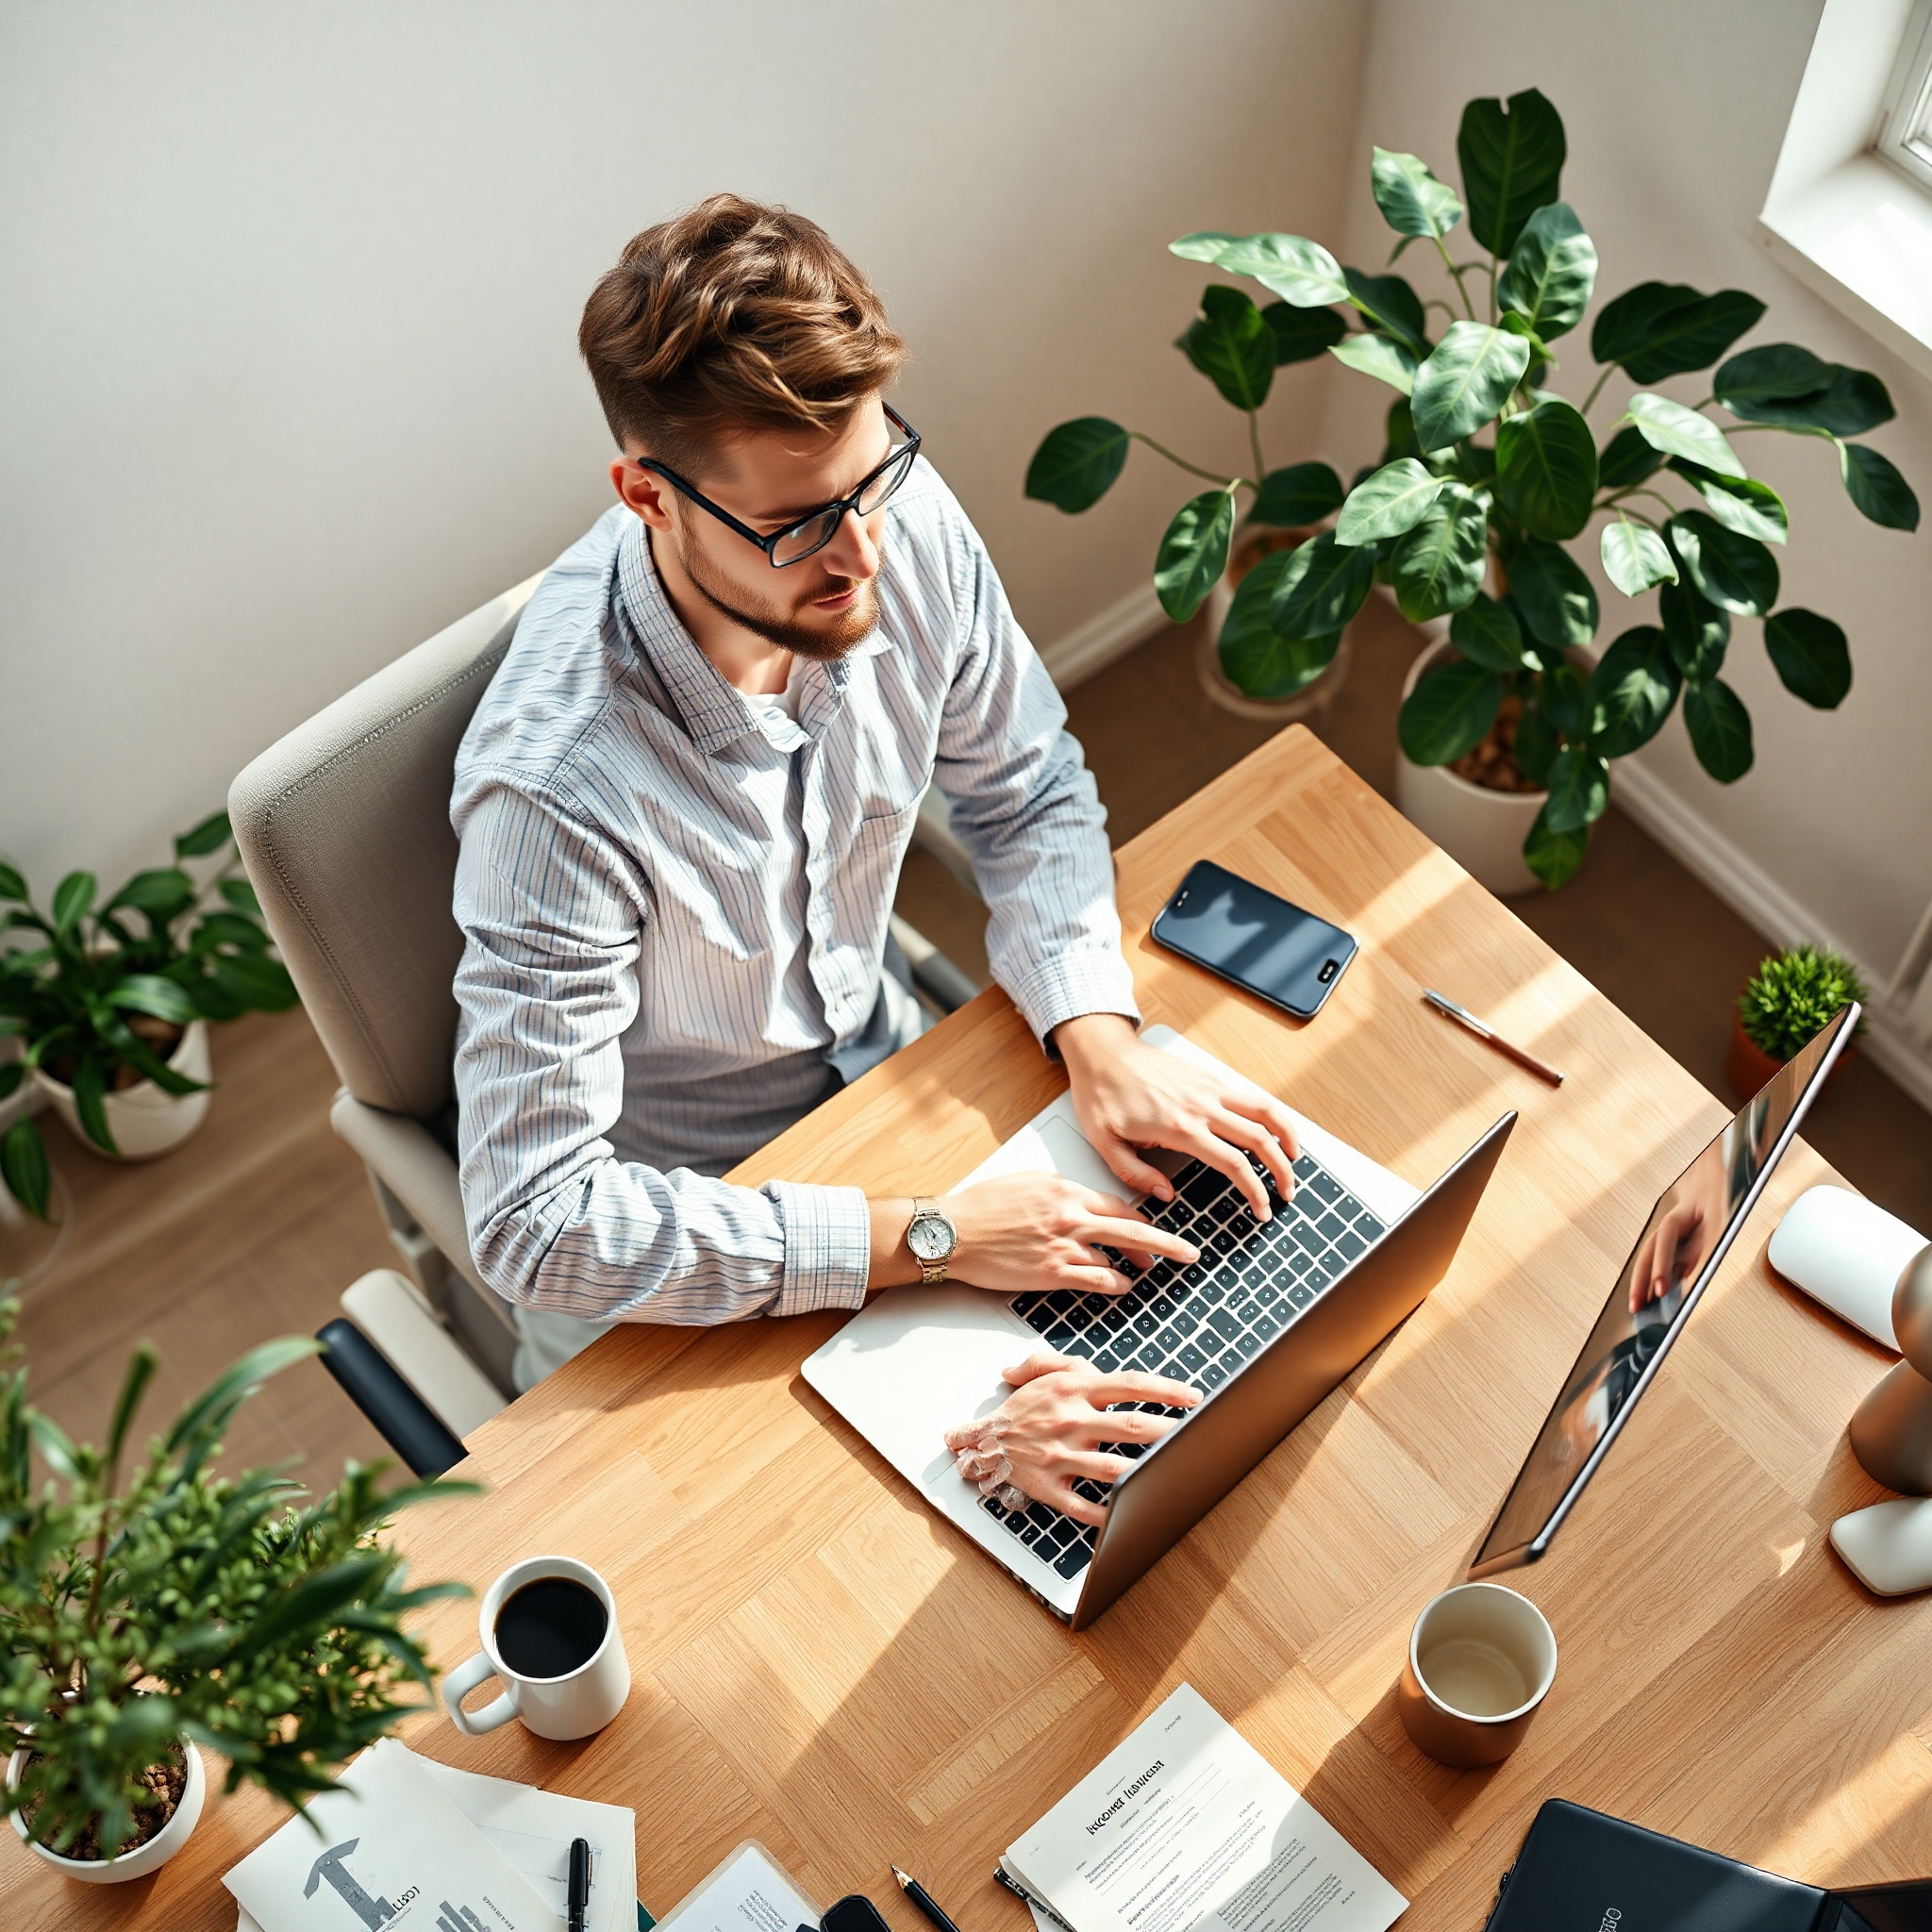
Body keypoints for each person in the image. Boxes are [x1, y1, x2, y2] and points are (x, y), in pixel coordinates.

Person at [450, 193, 1300, 1512]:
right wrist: (935, 1240)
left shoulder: (886, 521)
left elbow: (1024, 790)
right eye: (797, 526)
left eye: (871, 480)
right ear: (646, 498)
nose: (862, 556)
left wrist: (1098, 1036)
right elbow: (536, 1222)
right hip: (687, 1252)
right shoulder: (560, 793)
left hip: (896, 1121)